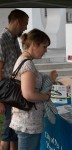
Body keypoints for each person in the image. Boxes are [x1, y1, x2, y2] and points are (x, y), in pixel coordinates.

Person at [9, 28, 56, 150]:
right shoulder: (27, 64)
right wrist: (46, 96)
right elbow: (29, 94)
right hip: (28, 122)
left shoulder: (24, 60)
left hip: (26, 119)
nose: (45, 51)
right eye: (44, 46)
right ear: (34, 45)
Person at [0, 9, 29, 150]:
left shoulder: (14, 39)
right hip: (7, 92)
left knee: (14, 132)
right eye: (25, 24)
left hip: (15, 91)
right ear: (18, 22)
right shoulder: (2, 40)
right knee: (7, 133)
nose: (26, 27)